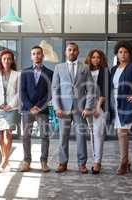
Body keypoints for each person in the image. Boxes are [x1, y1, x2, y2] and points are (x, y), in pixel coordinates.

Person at [52, 42, 94, 174]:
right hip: (63, 109)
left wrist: (88, 108)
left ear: (78, 52)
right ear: (65, 52)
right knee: (62, 136)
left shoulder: (85, 68)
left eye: (75, 50)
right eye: (69, 50)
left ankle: (82, 164)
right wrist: (57, 107)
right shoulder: (59, 67)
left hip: (80, 109)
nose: (72, 52)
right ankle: (62, 163)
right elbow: (54, 89)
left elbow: (91, 89)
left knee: (81, 136)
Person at [110, 41, 132, 175]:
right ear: (117, 54)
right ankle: (127, 161)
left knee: (122, 133)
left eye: (125, 52)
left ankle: (123, 163)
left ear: (129, 54)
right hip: (116, 104)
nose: (123, 54)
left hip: (127, 104)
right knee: (121, 133)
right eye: (120, 52)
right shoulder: (114, 69)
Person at [20, 46, 53, 173]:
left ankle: (44, 162)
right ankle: (26, 161)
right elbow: (22, 91)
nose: (36, 56)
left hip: (42, 109)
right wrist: (30, 107)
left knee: (44, 135)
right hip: (27, 109)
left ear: (42, 55)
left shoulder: (50, 73)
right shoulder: (25, 72)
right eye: (34, 54)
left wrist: (39, 106)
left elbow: (49, 93)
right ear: (31, 56)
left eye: (38, 53)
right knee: (26, 136)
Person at [0, 49, 20, 173]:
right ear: (0, 60)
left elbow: (19, 92)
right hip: (0, 108)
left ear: (12, 60)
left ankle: (4, 161)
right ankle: (5, 159)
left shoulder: (17, 74)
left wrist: (10, 105)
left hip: (12, 108)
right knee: (1, 135)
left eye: (9, 59)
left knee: (8, 133)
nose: (6, 61)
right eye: (4, 59)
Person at [84, 49, 110, 174]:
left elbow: (105, 91)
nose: (95, 59)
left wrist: (97, 108)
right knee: (91, 135)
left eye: (98, 57)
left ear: (101, 59)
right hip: (87, 106)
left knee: (98, 134)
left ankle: (97, 162)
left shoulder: (105, 72)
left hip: (100, 106)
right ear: (89, 58)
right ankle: (94, 159)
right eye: (93, 57)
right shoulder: (85, 71)